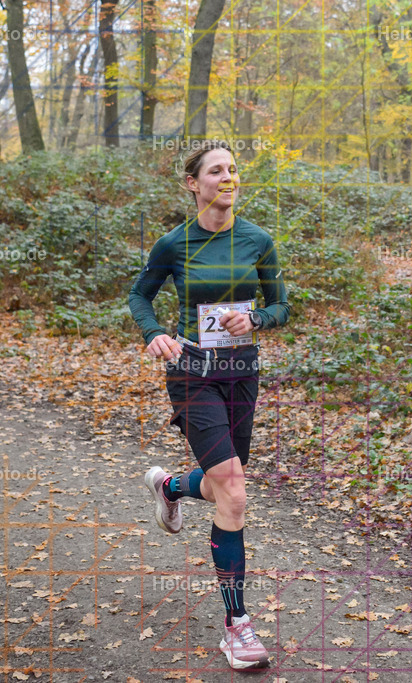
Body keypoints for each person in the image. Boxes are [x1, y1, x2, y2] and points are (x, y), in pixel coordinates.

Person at [128, 140, 291, 670]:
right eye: (215, 171)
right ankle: (236, 626)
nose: (227, 178)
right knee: (236, 493)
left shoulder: (258, 240)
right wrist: (154, 333)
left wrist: (259, 320)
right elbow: (140, 296)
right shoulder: (174, 244)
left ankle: (170, 485)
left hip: (242, 374)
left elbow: (282, 304)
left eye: (233, 170)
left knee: (225, 483)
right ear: (193, 183)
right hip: (193, 374)